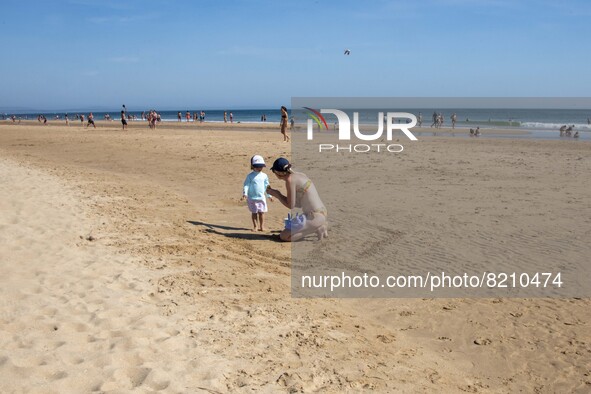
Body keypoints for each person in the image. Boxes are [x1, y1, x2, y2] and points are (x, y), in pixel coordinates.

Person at [266, 158, 327, 241]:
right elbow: (298, 204)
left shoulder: (289, 180)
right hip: (320, 213)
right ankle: (316, 226)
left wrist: (277, 194)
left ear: (278, 173)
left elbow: (290, 205)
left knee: (284, 236)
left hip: (314, 217)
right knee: (288, 230)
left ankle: (318, 228)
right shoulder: (300, 175)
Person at [241, 155, 272, 231]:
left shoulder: (264, 176)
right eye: (257, 166)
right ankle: (255, 226)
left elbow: (267, 186)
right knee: (254, 213)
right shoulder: (250, 176)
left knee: (262, 213)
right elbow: (246, 185)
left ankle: (262, 226)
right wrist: (245, 194)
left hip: (261, 197)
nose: (260, 168)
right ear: (252, 166)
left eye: (261, 166)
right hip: (252, 198)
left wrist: (269, 195)